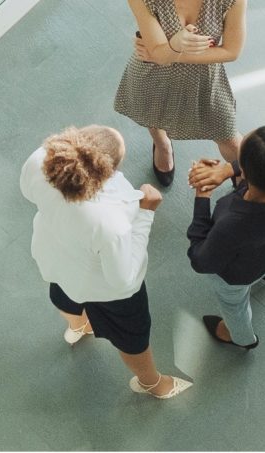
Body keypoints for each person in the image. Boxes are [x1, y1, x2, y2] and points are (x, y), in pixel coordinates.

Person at [20, 125, 191, 399]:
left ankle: (78, 326)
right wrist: (146, 213)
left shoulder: (40, 161)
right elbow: (123, 281)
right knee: (132, 335)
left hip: (55, 257)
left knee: (63, 295)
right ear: (107, 172)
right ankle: (151, 382)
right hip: (102, 288)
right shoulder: (109, 220)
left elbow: (30, 194)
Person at [183, 126, 265, 350]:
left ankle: (241, 337)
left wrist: (202, 197)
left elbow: (200, 260)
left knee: (235, 306)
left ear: (244, 171)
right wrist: (227, 170)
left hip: (238, 275)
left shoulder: (233, 224)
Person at [115, 0, 246, 186]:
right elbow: (158, 54)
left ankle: (246, 175)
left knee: (229, 136)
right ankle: (162, 145)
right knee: (154, 116)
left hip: (204, 80)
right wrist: (167, 50)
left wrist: (169, 52)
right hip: (152, 76)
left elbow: (232, 51)